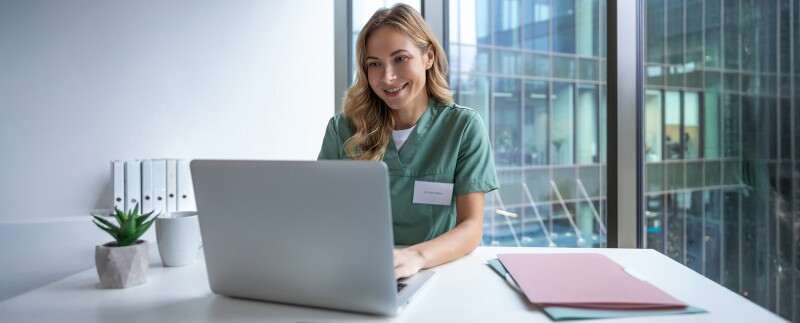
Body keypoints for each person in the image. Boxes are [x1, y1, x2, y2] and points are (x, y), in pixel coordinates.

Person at [318, 4, 498, 279]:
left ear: (428, 57)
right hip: (359, 273)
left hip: (435, 271)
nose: (387, 76)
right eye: (374, 64)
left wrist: (415, 257)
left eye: (400, 59)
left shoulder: (463, 128)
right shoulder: (342, 129)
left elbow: (471, 227)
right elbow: (321, 214)